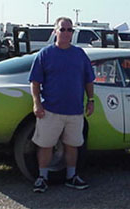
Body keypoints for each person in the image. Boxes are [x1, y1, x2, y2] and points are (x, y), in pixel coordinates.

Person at [28, 17, 95, 193]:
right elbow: (34, 82)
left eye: (69, 30)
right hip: (50, 109)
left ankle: (71, 176)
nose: (66, 33)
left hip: (75, 111)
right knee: (46, 145)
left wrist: (91, 100)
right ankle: (42, 178)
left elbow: (89, 80)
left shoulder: (80, 54)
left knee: (72, 145)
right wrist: (37, 104)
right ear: (55, 31)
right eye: (63, 29)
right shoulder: (45, 54)